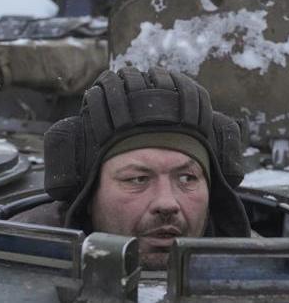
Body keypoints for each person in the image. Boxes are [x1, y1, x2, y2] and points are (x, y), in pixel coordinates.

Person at [14, 66, 250, 270]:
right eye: (137, 179)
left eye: (187, 178)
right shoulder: (21, 266)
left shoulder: (262, 268)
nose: (167, 204)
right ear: (88, 196)